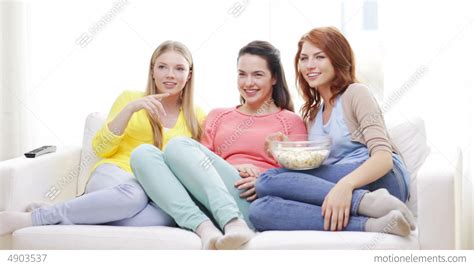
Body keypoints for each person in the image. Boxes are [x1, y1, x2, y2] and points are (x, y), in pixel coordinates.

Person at [0, 41, 205, 235]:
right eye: (162, 67)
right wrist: (131, 109)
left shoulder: (197, 116)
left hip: (156, 190)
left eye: (179, 68)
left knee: (165, 217)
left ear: (189, 75)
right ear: (152, 71)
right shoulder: (130, 99)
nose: (170, 75)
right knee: (133, 197)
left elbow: (198, 166)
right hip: (116, 175)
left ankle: (74, 209)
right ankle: (38, 217)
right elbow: (100, 149)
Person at [130, 41, 307, 249]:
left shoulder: (290, 121)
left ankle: (235, 222)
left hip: (247, 198)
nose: (248, 82)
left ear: (274, 78)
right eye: (242, 74)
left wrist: (263, 176)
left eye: (258, 75)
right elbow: (194, 166)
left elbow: (300, 178)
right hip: (205, 201)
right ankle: (204, 228)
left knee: (178, 145)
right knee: (142, 154)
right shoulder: (218, 116)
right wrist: (233, 168)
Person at [248, 27, 416, 237]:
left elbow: (383, 158)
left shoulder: (356, 93)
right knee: (259, 210)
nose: (310, 65)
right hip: (352, 188)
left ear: (337, 59)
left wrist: (345, 186)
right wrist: (285, 152)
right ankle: (375, 224)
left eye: (319, 57)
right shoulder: (312, 114)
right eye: (304, 58)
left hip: (383, 180)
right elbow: (315, 175)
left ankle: (368, 202)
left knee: (266, 181)